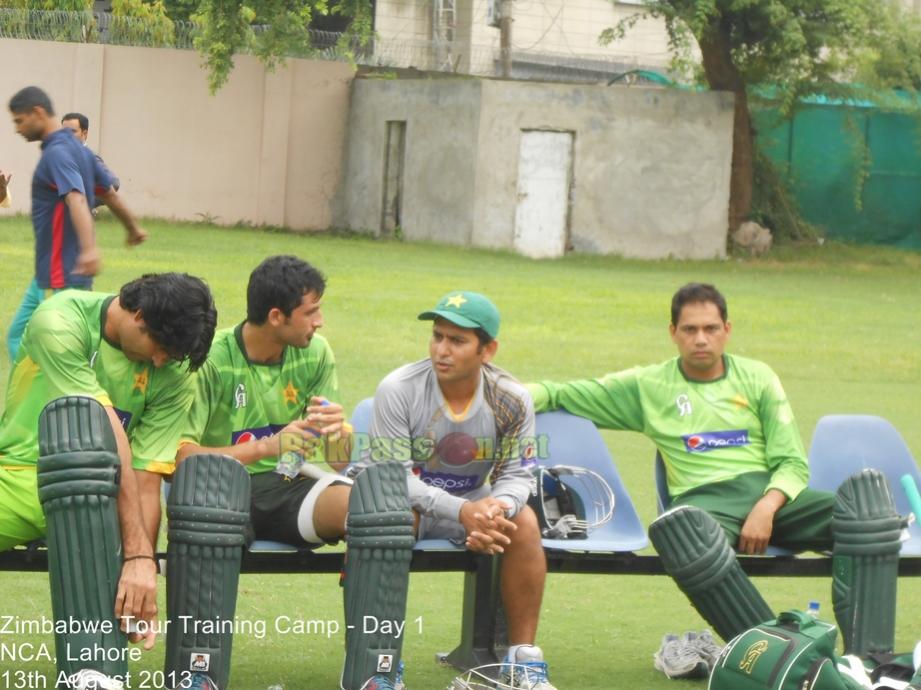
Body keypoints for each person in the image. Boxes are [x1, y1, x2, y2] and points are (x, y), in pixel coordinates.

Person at [527, 282, 902, 669]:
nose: (701, 339)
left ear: (727, 329)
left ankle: (869, 663)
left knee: (869, 515)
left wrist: (766, 507)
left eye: (710, 328)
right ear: (673, 333)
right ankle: (779, 662)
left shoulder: (758, 377)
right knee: (682, 537)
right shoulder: (647, 386)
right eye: (690, 330)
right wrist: (496, 394)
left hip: (771, 497)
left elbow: (792, 463)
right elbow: (558, 393)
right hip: (704, 503)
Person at [175, 256, 411, 690]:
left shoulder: (315, 353)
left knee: (376, 513)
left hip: (288, 482)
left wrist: (339, 429)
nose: (319, 322)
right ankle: (197, 671)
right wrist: (269, 446)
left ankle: (373, 670)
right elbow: (182, 457)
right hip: (218, 490)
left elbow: (340, 462)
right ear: (276, 316)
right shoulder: (212, 360)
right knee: (208, 528)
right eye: (311, 312)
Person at [0, 272, 216, 690]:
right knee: (87, 479)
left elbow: (147, 476)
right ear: (137, 315)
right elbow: (99, 428)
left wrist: (142, 570)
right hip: (18, 477)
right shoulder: (60, 320)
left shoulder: (174, 372)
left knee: (90, 493)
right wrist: (136, 556)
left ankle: (95, 673)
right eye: (161, 349)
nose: (161, 363)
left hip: (105, 498)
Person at [356, 291, 557, 690]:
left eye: (457, 340)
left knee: (525, 522)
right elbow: (394, 477)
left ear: (488, 350)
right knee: (395, 518)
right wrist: (464, 512)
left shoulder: (512, 398)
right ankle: (379, 662)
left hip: (472, 508)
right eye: (437, 336)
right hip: (399, 504)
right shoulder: (398, 388)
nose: (441, 350)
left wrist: (496, 508)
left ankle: (522, 661)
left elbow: (518, 475)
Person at [7, 86, 147, 362]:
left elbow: (76, 199)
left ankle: (62, 400)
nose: (17, 129)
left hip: (62, 275)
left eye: (19, 121)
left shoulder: (57, 154)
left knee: (53, 351)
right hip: (47, 274)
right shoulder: (79, 152)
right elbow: (109, 194)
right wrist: (133, 228)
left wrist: (89, 249)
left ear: (37, 113)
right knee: (17, 335)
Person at [62, 111, 121, 197]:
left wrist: (86, 202)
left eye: (72, 131)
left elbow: (113, 183)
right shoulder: (60, 155)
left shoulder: (89, 157)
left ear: (84, 133)